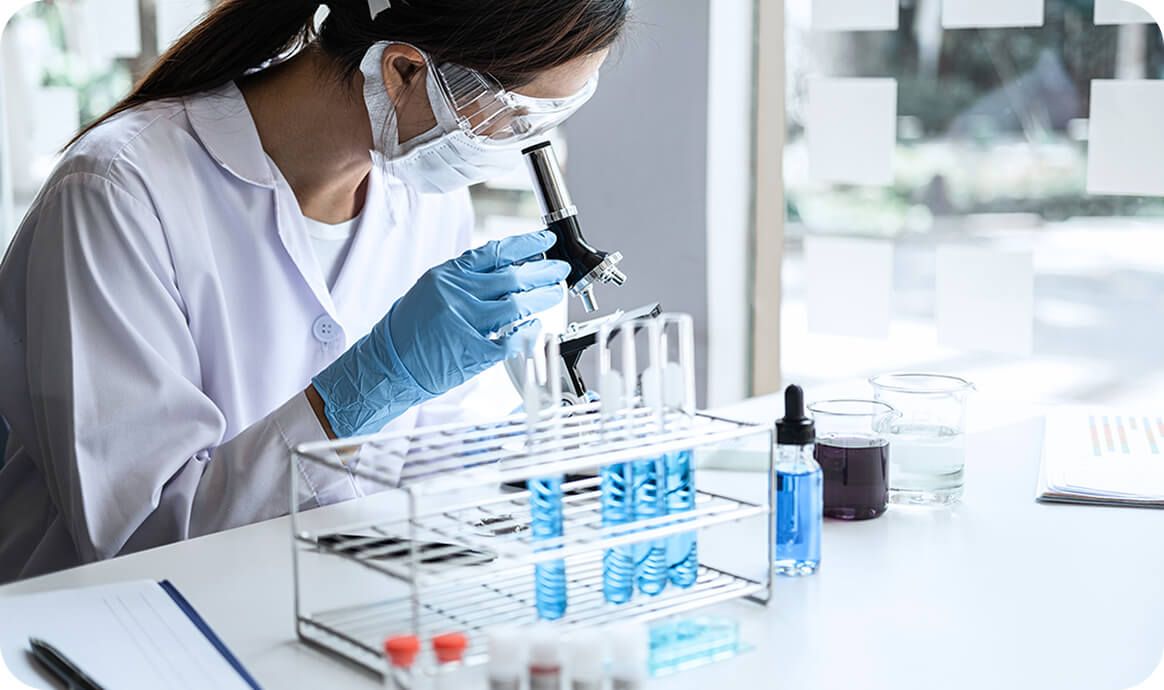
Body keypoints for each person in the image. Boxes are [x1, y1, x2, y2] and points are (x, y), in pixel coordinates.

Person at [0, 0, 629, 582]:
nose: (523, 146)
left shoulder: (423, 193)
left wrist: (534, 461)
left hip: (317, 604)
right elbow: (145, 541)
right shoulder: (117, 190)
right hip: (109, 632)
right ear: (406, 71)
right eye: (515, 117)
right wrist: (367, 386)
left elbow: (434, 460)